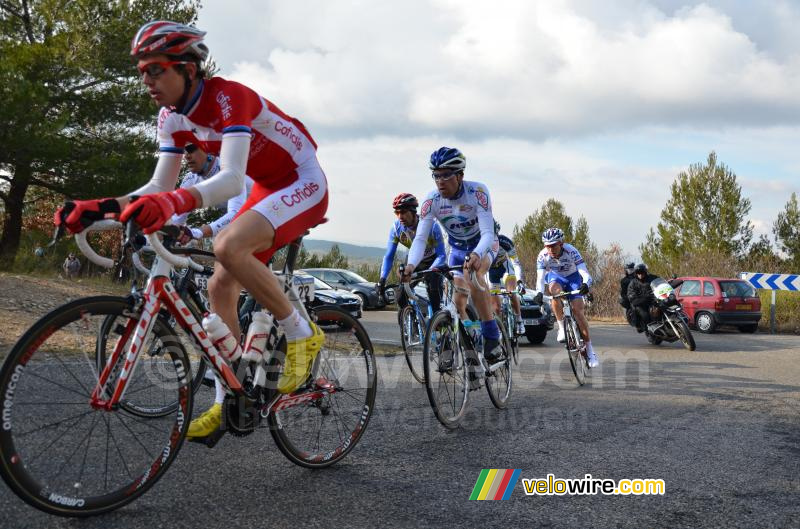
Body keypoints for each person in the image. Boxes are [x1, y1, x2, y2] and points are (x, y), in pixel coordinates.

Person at [54, 21, 328, 440]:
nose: (146, 80)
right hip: (268, 189)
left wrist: (173, 203)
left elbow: (233, 179)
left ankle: (301, 333)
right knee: (220, 288)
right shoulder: (171, 119)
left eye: (156, 69)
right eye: (141, 71)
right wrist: (99, 209)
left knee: (228, 245)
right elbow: (157, 189)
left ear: (188, 68)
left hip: (302, 180)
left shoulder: (228, 97)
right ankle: (228, 399)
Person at [402, 147, 504, 365]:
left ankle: (491, 335)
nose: (440, 181)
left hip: (484, 244)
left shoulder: (478, 192)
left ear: (460, 175)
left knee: (474, 276)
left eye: (446, 175)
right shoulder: (432, 201)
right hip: (457, 250)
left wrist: (477, 253)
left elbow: (487, 233)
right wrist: (411, 265)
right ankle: (469, 346)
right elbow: (420, 239)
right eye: (436, 175)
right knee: (458, 304)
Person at [535, 227, 599, 368]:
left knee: (578, 312)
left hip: (573, 278)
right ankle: (561, 327)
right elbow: (540, 279)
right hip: (556, 278)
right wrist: (539, 293)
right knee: (554, 292)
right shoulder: (543, 255)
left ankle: (590, 350)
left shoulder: (571, 251)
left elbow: (584, 272)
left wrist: (586, 284)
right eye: (547, 246)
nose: (550, 249)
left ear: (561, 243)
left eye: (553, 245)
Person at [172, 143, 254, 245]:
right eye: (184, 150)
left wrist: (196, 232)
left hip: (266, 211)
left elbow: (236, 214)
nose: (187, 156)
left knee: (224, 248)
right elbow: (176, 219)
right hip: (243, 217)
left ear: (207, 148)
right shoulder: (190, 179)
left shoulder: (230, 170)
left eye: (191, 149)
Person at [379, 193, 446, 313]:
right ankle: (411, 322)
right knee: (400, 296)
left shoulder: (431, 226)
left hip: (433, 260)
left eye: (403, 212)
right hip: (413, 261)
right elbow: (389, 256)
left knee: (434, 293)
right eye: (397, 213)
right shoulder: (396, 229)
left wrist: (433, 270)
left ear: (413, 211)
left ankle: (439, 324)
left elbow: (442, 255)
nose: (400, 216)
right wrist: (382, 279)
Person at [488, 221, 526, 336]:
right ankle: (499, 329)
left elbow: (516, 263)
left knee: (511, 292)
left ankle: (519, 320)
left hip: (505, 268)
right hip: (491, 272)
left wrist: (519, 281)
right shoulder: (479, 243)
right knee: (495, 305)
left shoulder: (505, 242)